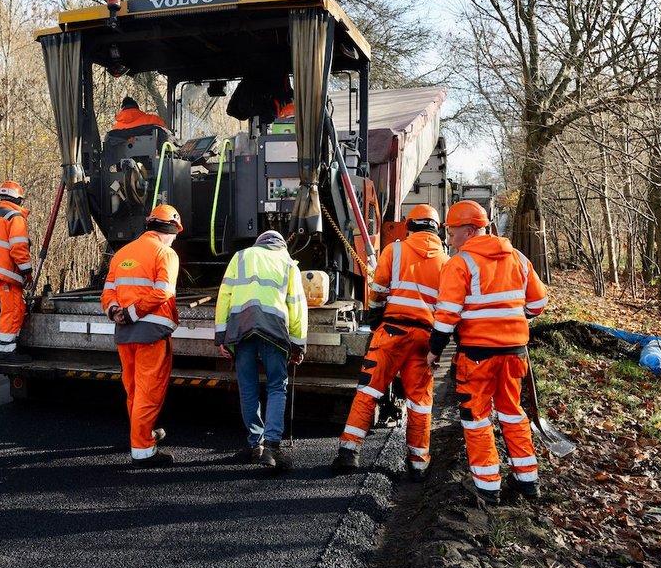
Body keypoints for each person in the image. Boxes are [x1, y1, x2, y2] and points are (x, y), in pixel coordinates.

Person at [426, 200, 549, 506]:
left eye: (452, 233)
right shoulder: (518, 258)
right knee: (512, 412)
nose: (449, 239)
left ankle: (487, 487)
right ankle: (528, 481)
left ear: (469, 231)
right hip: (514, 352)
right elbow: (537, 305)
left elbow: (447, 316)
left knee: (476, 417)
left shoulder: (460, 263)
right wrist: (510, 321)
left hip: (478, 355)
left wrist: (434, 351)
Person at [332, 204, 449, 478]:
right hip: (424, 338)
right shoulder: (446, 262)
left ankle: (350, 451)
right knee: (420, 402)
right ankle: (418, 464)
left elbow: (378, 291)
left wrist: (375, 317)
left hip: (392, 333)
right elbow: (447, 307)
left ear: (409, 226)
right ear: (436, 228)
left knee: (368, 391)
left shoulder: (394, 250)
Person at [215, 230, 307, 470]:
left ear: (259, 243)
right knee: (277, 386)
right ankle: (272, 448)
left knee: (248, 388)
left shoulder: (241, 257)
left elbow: (224, 296)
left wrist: (221, 336)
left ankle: (255, 443)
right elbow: (297, 306)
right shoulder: (288, 264)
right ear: (280, 246)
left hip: (242, 329)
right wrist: (298, 344)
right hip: (273, 331)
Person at [101, 204, 182, 468]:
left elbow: (108, 292)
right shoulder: (165, 254)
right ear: (171, 230)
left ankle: (142, 434)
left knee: (134, 391)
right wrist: (133, 313)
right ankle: (142, 450)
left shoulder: (122, 253)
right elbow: (163, 293)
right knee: (149, 391)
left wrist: (116, 312)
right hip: (151, 333)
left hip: (125, 334)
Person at [0, 180, 34, 363]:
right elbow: (18, 247)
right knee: (11, 311)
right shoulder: (14, 217)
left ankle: (12, 347)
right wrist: (27, 271)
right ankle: (6, 352)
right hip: (6, 274)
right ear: (18, 199)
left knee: (16, 308)